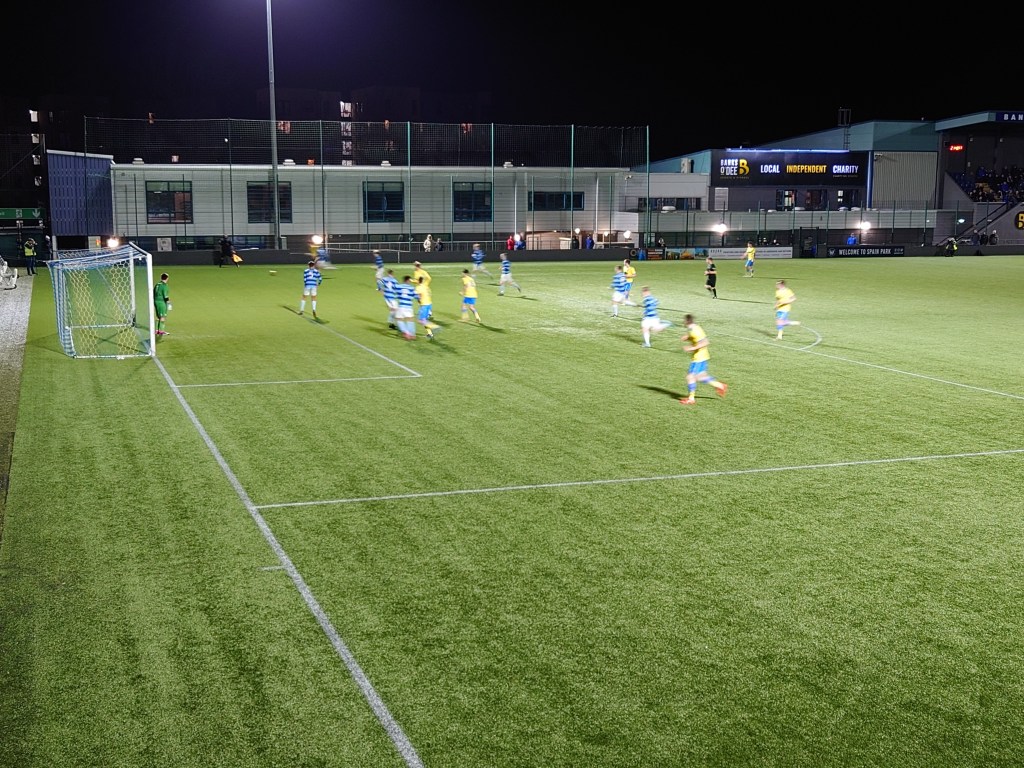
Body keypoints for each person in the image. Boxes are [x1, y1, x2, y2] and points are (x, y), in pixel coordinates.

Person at [679, 314, 727, 405]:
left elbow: (705, 342)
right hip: (703, 356)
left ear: (686, 321)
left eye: (684, 320)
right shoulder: (694, 328)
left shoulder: (694, 331)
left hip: (698, 358)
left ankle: (691, 399)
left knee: (690, 377)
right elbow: (697, 338)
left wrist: (691, 348)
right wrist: (688, 338)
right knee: (701, 377)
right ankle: (720, 386)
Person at [415, 275, 440, 339]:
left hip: (424, 305)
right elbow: (430, 294)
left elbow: (417, 296)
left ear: (418, 281)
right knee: (424, 320)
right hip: (429, 304)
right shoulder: (426, 286)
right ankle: (430, 334)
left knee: (421, 320)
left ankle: (434, 327)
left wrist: (419, 301)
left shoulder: (418, 288)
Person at [153, 272, 171, 336]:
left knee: (158, 316)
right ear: (167, 278)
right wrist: (169, 302)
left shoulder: (157, 284)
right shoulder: (164, 285)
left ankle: (157, 330)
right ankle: (161, 331)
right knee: (162, 316)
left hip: (156, 301)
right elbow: (165, 296)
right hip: (161, 302)